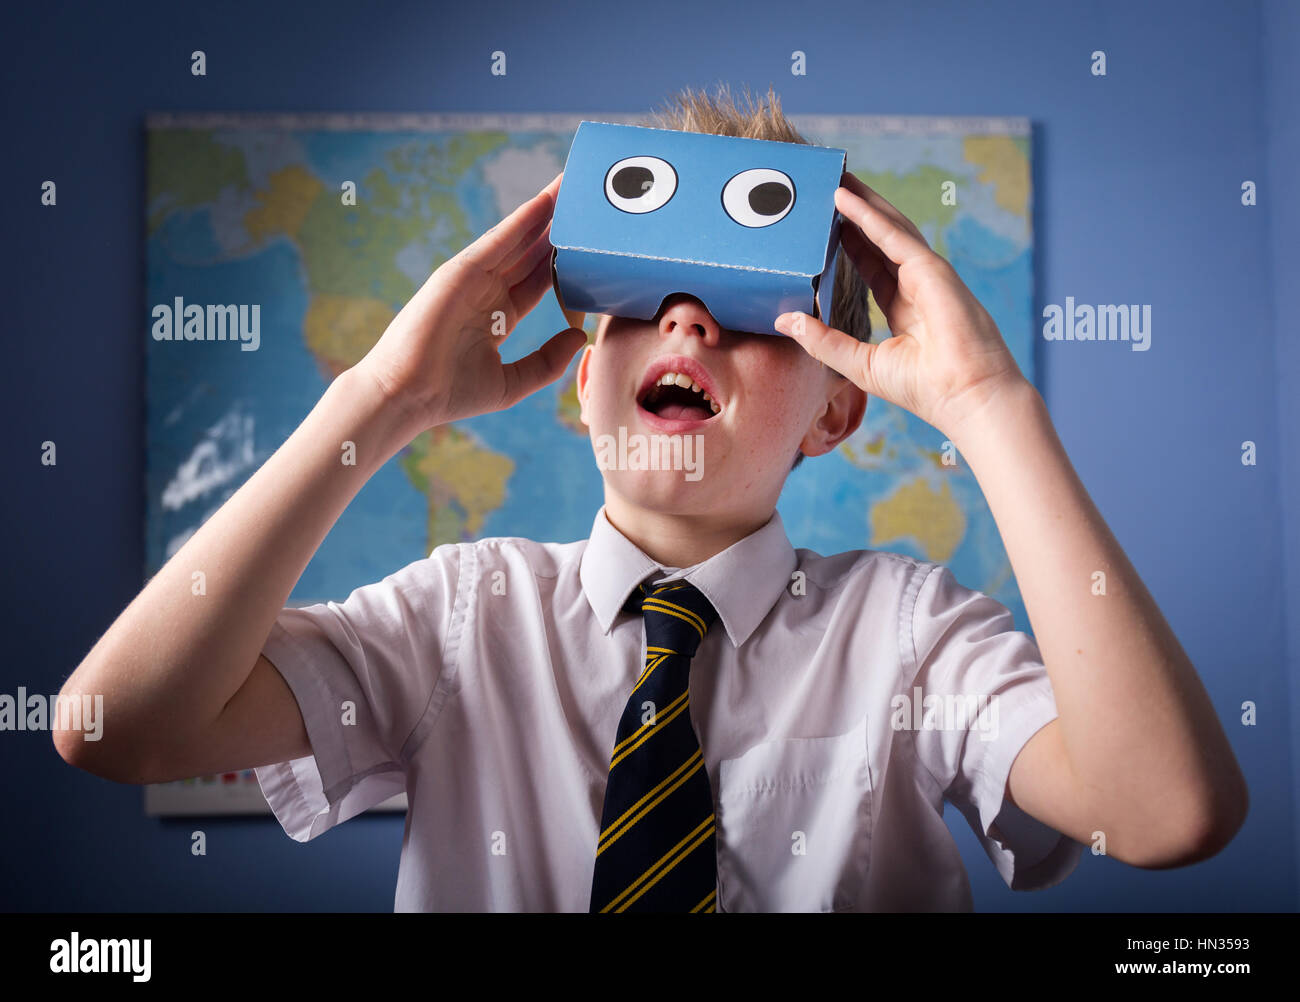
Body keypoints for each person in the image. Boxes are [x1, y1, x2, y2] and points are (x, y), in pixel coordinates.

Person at [55, 84, 1248, 911]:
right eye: (644, 303)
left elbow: (1166, 817)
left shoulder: (912, 636)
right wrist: (383, 397)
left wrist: (989, 404)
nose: (685, 322)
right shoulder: (455, 617)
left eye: (741, 312)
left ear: (836, 409)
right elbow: (113, 729)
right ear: (585, 387)